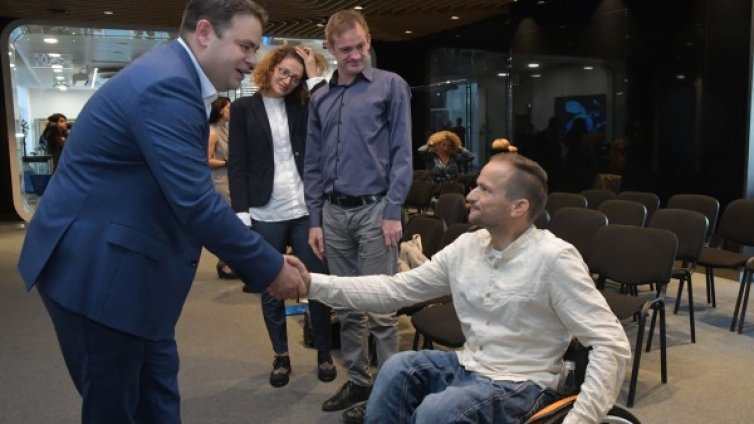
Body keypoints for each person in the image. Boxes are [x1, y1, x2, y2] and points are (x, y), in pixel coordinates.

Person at [16, 1, 308, 423]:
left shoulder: (173, 76)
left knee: (157, 401)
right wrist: (270, 266)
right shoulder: (166, 85)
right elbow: (195, 201)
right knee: (118, 409)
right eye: (245, 46)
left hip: (134, 273)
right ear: (204, 33)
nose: (253, 59)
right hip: (96, 277)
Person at [300, 153, 632, 424]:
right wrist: (310, 283)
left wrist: (581, 420)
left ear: (518, 207)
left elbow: (610, 344)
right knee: (396, 369)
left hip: (525, 382)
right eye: (476, 186)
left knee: (438, 412)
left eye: (485, 190)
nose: (470, 195)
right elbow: (393, 290)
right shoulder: (467, 247)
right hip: (470, 366)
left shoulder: (554, 258)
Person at [303, 9, 413, 423]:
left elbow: (402, 152)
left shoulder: (390, 85)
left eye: (360, 46)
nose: (354, 55)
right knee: (347, 306)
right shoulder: (320, 98)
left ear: (368, 39)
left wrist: (393, 210)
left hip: (375, 211)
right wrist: (315, 219)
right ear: (330, 49)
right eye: (345, 49)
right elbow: (312, 163)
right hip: (333, 214)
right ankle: (359, 380)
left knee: (381, 309)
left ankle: (390, 392)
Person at [228, 44, 335, 388]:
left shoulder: (303, 105)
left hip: (303, 209)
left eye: (295, 76)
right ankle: (281, 356)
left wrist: (313, 72)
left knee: (316, 282)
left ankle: (323, 351)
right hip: (264, 211)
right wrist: (241, 212)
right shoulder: (242, 108)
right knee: (270, 286)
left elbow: (329, 110)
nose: (287, 80)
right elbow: (237, 165)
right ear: (271, 68)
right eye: (283, 71)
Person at [207, 96, 237, 279]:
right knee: (228, 224)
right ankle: (224, 264)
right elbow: (207, 160)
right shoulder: (212, 133)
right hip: (220, 181)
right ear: (220, 111)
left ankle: (229, 262)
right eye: (228, 108)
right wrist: (227, 162)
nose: (231, 111)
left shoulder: (226, 129)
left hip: (229, 179)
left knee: (233, 223)